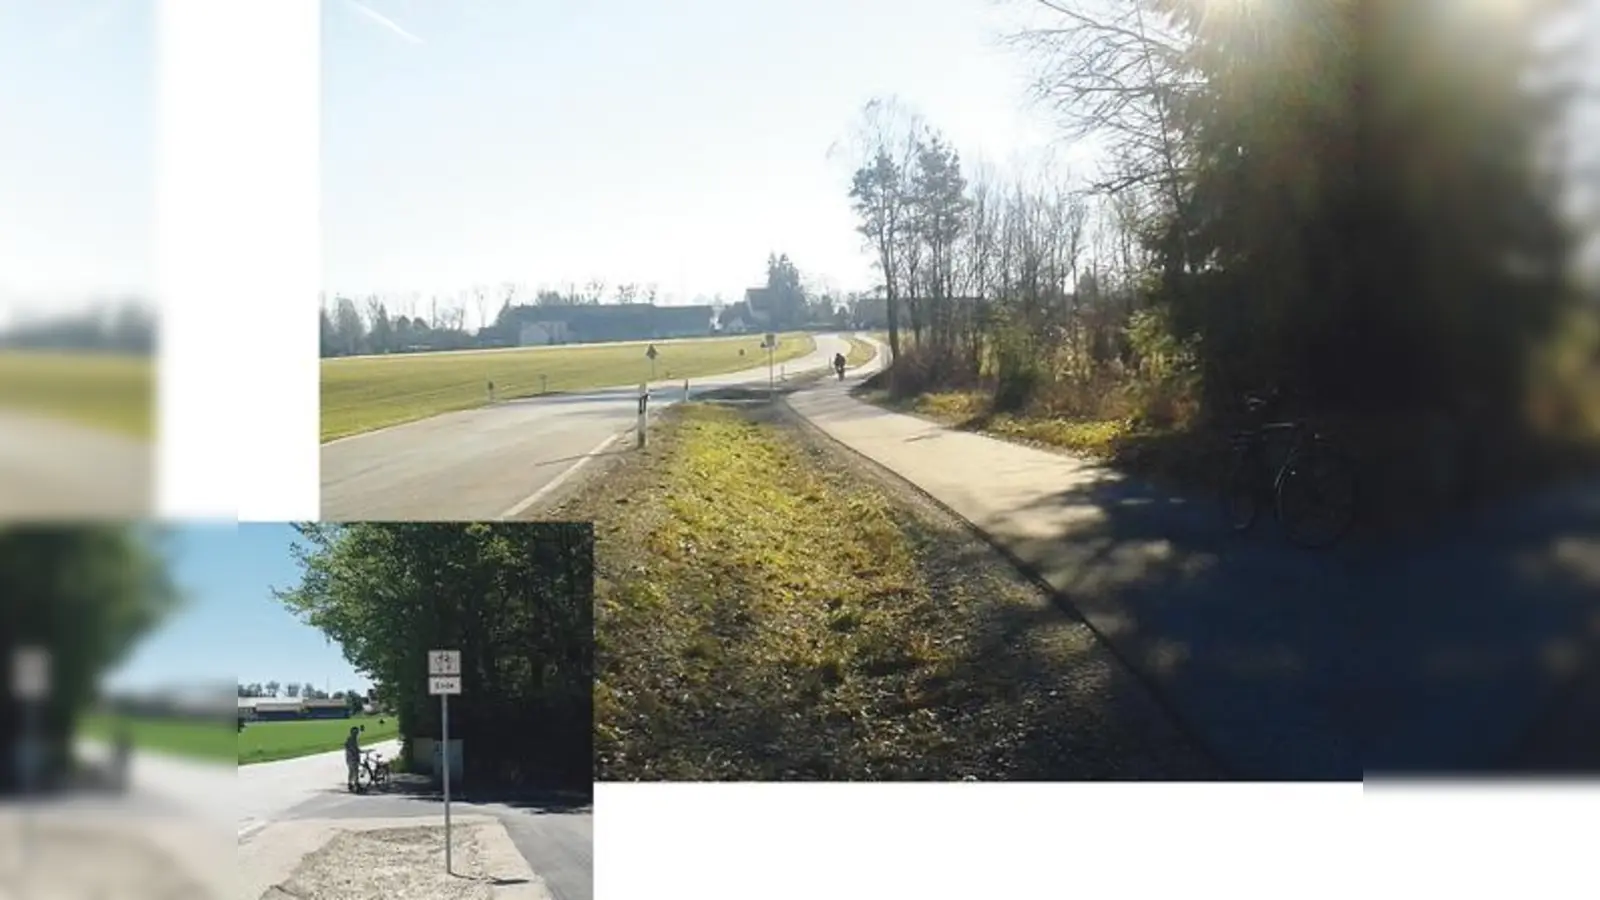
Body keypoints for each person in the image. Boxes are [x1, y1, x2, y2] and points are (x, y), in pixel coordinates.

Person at [344, 725, 361, 792]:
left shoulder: (351, 739)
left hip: (350, 758)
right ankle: (356, 784)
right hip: (352, 758)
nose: (357, 734)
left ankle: (350, 783)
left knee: (351, 771)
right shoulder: (352, 740)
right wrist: (356, 753)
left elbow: (353, 748)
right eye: (356, 732)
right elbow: (352, 749)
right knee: (355, 771)